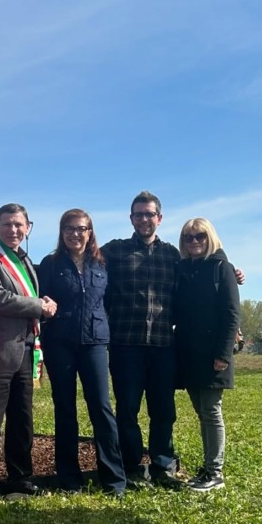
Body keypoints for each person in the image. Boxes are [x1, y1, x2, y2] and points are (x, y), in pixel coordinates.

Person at [102, 191, 244, 488]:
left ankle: (163, 466)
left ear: (159, 218)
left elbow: (204, 271)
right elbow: (81, 259)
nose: (144, 219)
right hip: (125, 344)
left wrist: (233, 272)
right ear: (131, 219)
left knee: (163, 410)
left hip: (164, 346)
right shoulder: (114, 251)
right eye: (138, 214)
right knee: (127, 409)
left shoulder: (173, 256)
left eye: (149, 214)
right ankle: (131, 466)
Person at [0, 203, 57, 505]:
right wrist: (37, 306)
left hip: (25, 349)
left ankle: (20, 476)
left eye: (19, 224)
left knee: (22, 417)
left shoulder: (26, 261)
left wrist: (42, 302)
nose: (14, 230)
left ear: (28, 227)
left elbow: (25, 297)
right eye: (7, 224)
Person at [37, 209, 126, 497]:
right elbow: (38, 297)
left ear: (90, 232)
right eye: (70, 229)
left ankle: (113, 480)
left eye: (82, 229)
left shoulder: (103, 262)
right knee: (65, 409)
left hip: (95, 343)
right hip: (59, 343)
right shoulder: (50, 264)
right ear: (62, 232)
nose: (76, 234)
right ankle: (69, 480)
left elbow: (111, 300)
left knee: (101, 407)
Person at [173, 217, 240, 492]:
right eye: (188, 237)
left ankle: (216, 472)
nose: (194, 242)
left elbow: (232, 313)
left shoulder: (222, 268)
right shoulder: (184, 269)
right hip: (189, 354)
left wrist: (223, 354)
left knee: (212, 411)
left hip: (214, 354)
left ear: (209, 237)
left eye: (199, 236)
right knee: (202, 412)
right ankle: (208, 467)